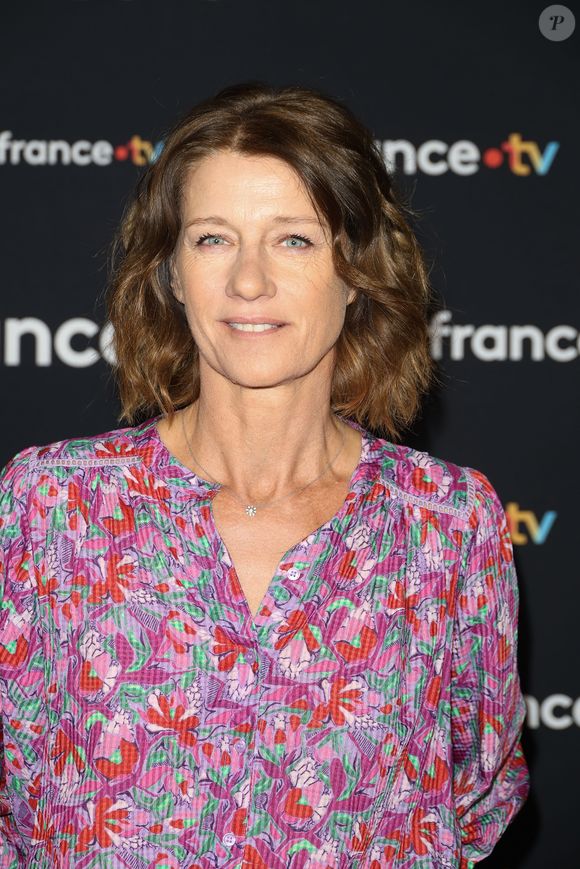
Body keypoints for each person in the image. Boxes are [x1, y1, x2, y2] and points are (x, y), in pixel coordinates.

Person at [0, 81, 529, 868]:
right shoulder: (50, 508)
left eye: (294, 239)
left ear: (355, 274)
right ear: (172, 273)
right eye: (213, 239)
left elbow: (477, 798)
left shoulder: (446, 522)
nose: (249, 282)